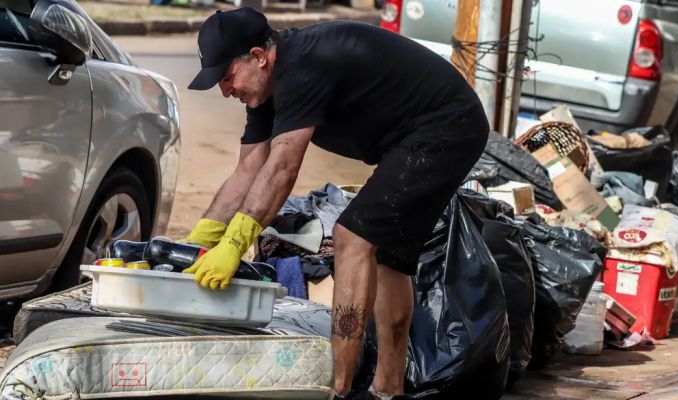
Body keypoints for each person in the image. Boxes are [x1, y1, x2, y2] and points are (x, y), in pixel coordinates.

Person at [182, 8, 489, 399]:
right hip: (415, 136)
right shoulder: (265, 89)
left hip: (448, 125)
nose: (226, 91)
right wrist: (201, 239)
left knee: (353, 237)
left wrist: (235, 242)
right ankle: (387, 389)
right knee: (389, 260)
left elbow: (282, 168)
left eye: (227, 77)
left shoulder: (304, 65)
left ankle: (337, 388)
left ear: (258, 56)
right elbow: (248, 171)